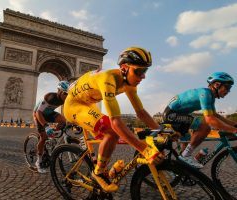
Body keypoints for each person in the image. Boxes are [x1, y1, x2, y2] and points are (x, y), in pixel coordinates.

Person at [63, 47, 164, 193]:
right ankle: (98, 172)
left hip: (88, 102)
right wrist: (144, 149)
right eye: (139, 71)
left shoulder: (129, 84)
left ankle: (104, 169)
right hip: (74, 106)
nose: (143, 76)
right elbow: (116, 122)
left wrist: (160, 131)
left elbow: (141, 113)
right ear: (124, 68)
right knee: (112, 131)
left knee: (109, 134)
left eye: (145, 71)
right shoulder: (108, 79)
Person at [163, 72, 237, 168]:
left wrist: (234, 125)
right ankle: (185, 156)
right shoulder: (205, 94)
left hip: (178, 114)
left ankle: (182, 168)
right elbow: (210, 120)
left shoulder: (209, 96)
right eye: (227, 87)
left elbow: (215, 115)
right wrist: (233, 130)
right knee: (205, 125)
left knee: (187, 145)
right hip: (172, 115)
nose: (228, 91)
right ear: (217, 85)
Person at [33, 81, 69, 173]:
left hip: (49, 114)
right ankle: (39, 161)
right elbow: (38, 112)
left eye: (68, 94)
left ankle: (52, 136)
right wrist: (46, 126)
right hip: (39, 114)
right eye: (65, 93)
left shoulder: (65, 98)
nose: (67, 96)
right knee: (43, 137)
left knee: (63, 121)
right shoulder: (49, 97)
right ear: (59, 91)